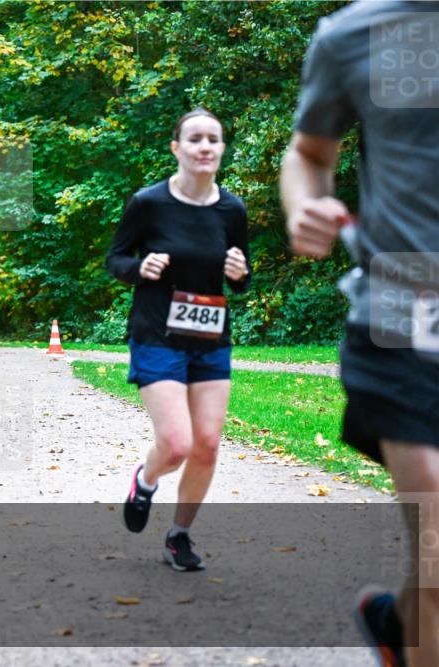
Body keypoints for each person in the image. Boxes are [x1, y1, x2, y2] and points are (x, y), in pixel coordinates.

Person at [280, 4, 438, 665]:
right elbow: (308, 154)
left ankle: (400, 625)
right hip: (405, 323)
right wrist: (305, 205)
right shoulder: (354, 34)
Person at [107, 108, 251, 572]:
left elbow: (242, 276)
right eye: (194, 139)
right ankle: (146, 481)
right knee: (175, 443)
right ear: (176, 148)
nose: (205, 146)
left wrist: (240, 273)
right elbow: (115, 258)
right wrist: (139, 268)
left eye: (213, 138)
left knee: (207, 443)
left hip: (210, 338)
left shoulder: (232, 210)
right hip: (157, 334)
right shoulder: (148, 203)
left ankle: (179, 536)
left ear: (222, 148)